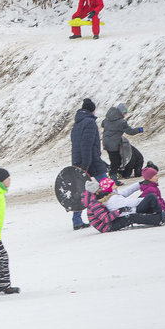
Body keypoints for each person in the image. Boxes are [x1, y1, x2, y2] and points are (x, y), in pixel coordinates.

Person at [69, 98, 109, 230]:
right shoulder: (90, 123)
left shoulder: (77, 124)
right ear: (92, 110)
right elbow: (87, 145)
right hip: (90, 161)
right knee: (106, 185)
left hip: (77, 161)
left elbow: (77, 146)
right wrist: (86, 164)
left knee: (80, 191)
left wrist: (79, 164)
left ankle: (77, 221)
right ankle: (115, 210)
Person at [82, 179, 165, 232]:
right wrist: (119, 211)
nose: (101, 190)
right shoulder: (94, 203)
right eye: (99, 189)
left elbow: (124, 193)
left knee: (133, 214)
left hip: (111, 221)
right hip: (107, 226)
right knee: (131, 217)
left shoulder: (98, 198)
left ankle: (160, 216)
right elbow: (106, 218)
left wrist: (139, 184)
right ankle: (160, 219)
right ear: (95, 191)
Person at [102, 103, 144, 183]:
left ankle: (114, 176)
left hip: (106, 143)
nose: (125, 114)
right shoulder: (121, 122)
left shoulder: (106, 120)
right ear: (120, 112)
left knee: (114, 160)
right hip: (114, 144)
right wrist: (139, 130)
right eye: (124, 112)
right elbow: (130, 131)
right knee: (116, 162)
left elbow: (102, 124)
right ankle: (113, 179)